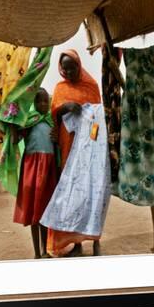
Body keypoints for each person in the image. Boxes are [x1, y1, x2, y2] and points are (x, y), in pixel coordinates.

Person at [47, 49, 102, 257]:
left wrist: (95, 144)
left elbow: (99, 120)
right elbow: (54, 117)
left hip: (87, 151)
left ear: (79, 65)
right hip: (67, 150)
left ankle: (96, 240)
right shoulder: (60, 89)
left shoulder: (92, 86)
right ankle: (77, 244)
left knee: (90, 196)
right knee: (72, 198)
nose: (69, 72)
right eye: (65, 68)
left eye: (73, 67)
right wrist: (65, 107)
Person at [11, 89, 57, 258]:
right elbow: (15, 140)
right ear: (33, 103)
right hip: (32, 168)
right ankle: (37, 253)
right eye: (38, 101)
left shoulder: (52, 123)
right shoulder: (28, 122)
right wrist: (12, 124)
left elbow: (58, 143)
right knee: (33, 212)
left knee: (44, 210)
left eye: (45, 101)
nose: (42, 105)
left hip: (49, 169)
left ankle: (45, 250)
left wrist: (56, 138)